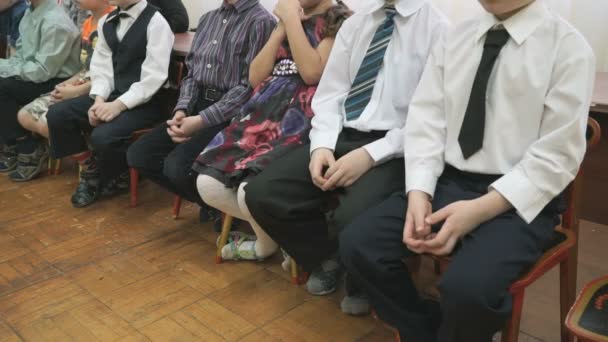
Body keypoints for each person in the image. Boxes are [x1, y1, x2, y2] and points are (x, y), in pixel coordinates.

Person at [338, 0, 596, 340]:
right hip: (450, 181)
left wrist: (479, 210)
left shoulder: (569, 48)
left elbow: (557, 155)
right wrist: (419, 192)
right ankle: (424, 329)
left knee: (468, 290)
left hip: (519, 201)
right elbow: (427, 122)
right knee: (359, 244)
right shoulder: (455, 38)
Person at [243, 0, 448, 312]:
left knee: (351, 217)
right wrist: (322, 144)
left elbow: (432, 121)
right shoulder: (357, 23)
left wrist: (370, 155)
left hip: (397, 147)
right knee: (262, 194)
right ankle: (328, 258)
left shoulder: (439, 30)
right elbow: (332, 92)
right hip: (341, 132)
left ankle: (360, 277)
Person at [194, 0, 351, 262]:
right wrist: (280, 29)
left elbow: (312, 72)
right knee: (207, 184)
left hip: (300, 119)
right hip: (260, 115)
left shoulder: (339, 20)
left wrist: (290, 20)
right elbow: (255, 77)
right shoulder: (287, 20)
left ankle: (265, 246)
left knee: (249, 191)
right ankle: (276, 240)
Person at [126, 0, 274, 224]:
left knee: (177, 167)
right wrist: (182, 108)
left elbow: (249, 87)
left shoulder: (261, 22)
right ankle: (213, 204)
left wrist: (202, 120)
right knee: (140, 155)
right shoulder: (208, 19)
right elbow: (192, 75)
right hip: (195, 106)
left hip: (232, 114)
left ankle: (223, 208)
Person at [46, 0, 174, 208]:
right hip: (112, 94)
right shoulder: (107, 20)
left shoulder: (157, 23)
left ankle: (115, 174)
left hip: (146, 102)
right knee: (58, 114)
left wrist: (118, 105)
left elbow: (153, 79)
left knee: (103, 135)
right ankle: (91, 169)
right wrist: (99, 100)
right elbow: (102, 69)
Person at [9, 0, 115, 182]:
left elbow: (111, 71)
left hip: (101, 89)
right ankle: (79, 151)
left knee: (53, 120)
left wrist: (77, 91)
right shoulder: (88, 23)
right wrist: (67, 84)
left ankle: (89, 163)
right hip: (82, 81)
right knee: (24, 115)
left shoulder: (114, 23)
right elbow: (85, 68)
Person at [0, 0, 81, 173]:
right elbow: (21, 56)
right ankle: (11, 141)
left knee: (2, 87)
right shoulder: (31, 12)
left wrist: (5, 69)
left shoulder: (55, 21)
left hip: (58, 81)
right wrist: (4, 67)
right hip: (37, 73)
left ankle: (26, 145)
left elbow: (42, 71)